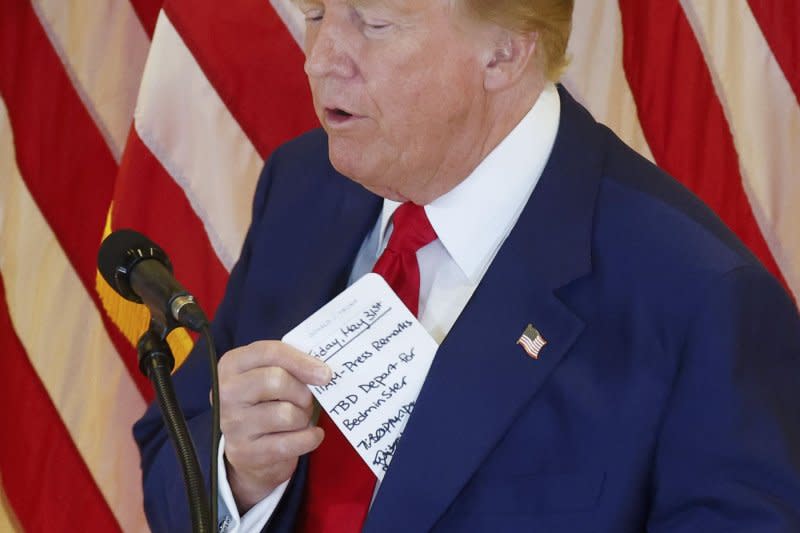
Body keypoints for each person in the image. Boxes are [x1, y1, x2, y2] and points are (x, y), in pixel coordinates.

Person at [134, 0, 800, 531]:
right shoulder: (303, 189)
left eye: (372, 22)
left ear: (505, 52)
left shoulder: (703, 301)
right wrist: (236, 476)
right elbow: (171, 441)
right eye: (316, 13)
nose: (319, 61)